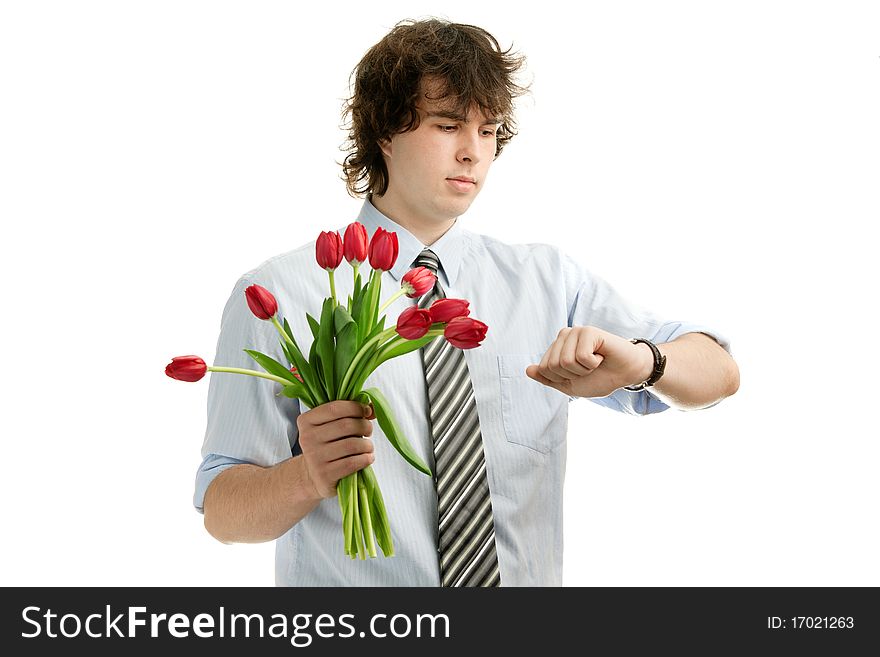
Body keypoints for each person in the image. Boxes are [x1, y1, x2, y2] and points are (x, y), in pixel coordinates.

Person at [194, 17, 740, 586]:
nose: (472, 153)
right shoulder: (281, 294)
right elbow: (222, 508)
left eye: (488, 130)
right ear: (384, 132)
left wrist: (645, 361)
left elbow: (719, 372)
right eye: (448, 124)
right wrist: (307, 476)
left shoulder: (546, 280)